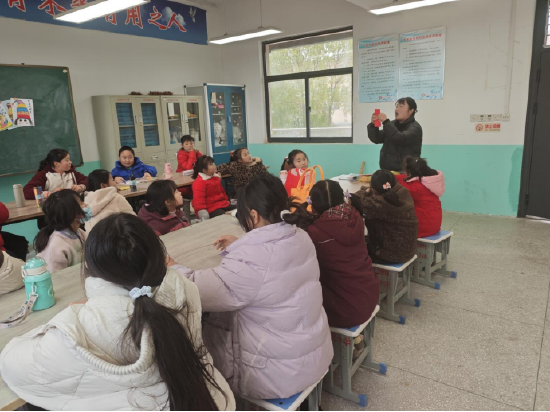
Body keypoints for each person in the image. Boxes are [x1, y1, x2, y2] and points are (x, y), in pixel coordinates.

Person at [0, 214, 235, 411]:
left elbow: (12, 362)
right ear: (158, 257)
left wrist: (69, 317)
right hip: (213, 400)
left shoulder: (81, 326)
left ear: (89, 264)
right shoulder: (183, 287)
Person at [172, 174, 333, 400]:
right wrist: (241, 244)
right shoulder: (300, 236)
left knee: (191, 339)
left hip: (274, 373)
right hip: (311, 354)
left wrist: (172, 267)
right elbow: (269, 266)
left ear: (254, 216)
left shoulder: (252, 260)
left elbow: (197, 291)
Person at [294, 180, 380, 331]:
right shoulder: (354, 215)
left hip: (345, 309)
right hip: (369, 295)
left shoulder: (314, 233)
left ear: (312, 206)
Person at [356, 170, 418, 264]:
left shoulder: (380, 203)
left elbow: (357, 198)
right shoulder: (402, 192)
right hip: (409, 250)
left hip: (390, 255)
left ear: (374, 188)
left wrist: (365, 190)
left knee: (352, 252)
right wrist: (369, 189)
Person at [34, 190, 88, 273]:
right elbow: (55, 277)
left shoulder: (79, 232)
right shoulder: (57, 247)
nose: (86, 205)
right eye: (81, 203)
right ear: (70, 213)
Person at [368, 97, 423, 172]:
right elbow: (377, 138)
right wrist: (373, 125)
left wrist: (386, 122)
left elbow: (400, 138)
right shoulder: (392, 124)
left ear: (411, 111)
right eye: (397, 106)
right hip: (387, 170)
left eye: (401, 106)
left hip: (405, 171)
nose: (397, 109)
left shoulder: (415, 128)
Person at [397, 157, 445, 238]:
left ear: (409, 172)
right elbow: (403, 177)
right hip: (434, 225)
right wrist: (394, 176)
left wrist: (388, 180)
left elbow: (400, 186)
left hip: (422, 228)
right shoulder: (429, 181)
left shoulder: (414, 188)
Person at [23, 149, 88, 200]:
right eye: (67, 160)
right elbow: (27, 191)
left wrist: (81, 187)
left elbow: (89, 180)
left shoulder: (72, 173)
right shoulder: (43, 175)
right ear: (56, 163)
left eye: (69, 159)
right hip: (54, 207)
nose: (70, 162)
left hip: (73, 204)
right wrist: (49, 194)